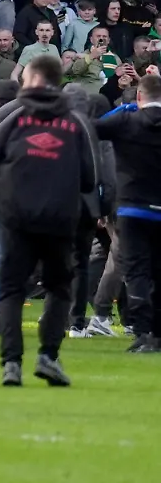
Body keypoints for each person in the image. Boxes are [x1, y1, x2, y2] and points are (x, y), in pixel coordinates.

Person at [0, 52, 95, 386]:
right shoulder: (75, 123)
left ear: (30, 80)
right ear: (58, 82)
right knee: (59, 289)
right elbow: (91, 178)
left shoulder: (15, 118)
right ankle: (48, 356)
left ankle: (11, 364)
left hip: (16, 217)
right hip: (61, 220)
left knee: (12, 290)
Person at [94, 70, 161, 352]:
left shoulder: (126, 120)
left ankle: (143, 333)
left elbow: (92, 127)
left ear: (139, 96)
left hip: (133, 209)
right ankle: (157, 335)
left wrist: (126, 107)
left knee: (136, 272)